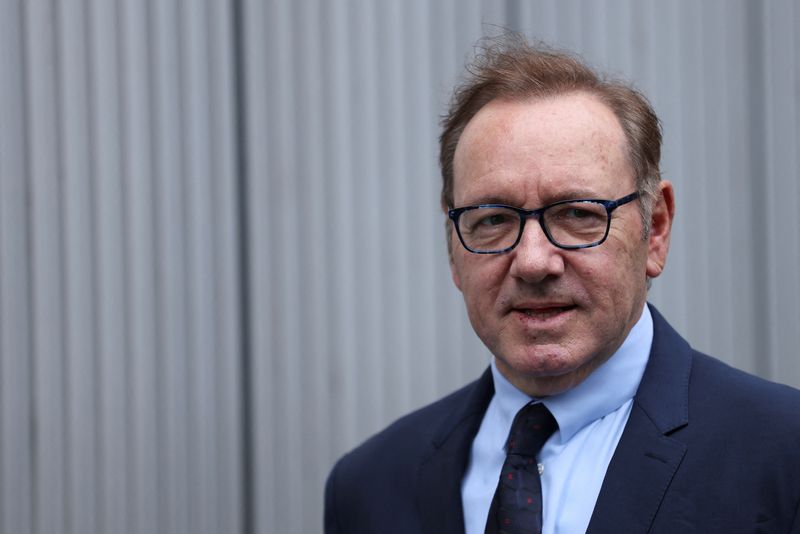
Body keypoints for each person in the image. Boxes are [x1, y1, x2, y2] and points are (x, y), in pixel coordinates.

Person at [324, 35, 800, 534]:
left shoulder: (783, 459)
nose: (532, 262)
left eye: (577, 214)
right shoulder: (369, 487)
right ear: (452, 244)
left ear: (654, 228)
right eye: (493, 220)